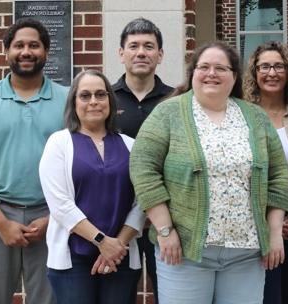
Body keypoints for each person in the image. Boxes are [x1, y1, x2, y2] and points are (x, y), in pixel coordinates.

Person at [129, 41, 288, 303]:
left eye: (220, 68)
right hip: (184, 253)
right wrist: (165, 230)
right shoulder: (168, 112)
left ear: (234, 76)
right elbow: (143, 167)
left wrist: (274, 234)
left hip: (246, 254)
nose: (211, 73)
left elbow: (278, 176)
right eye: (203, 67)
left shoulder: (255, 117)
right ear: (193, 73)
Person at [0, 18, 67, 304]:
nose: (26, 51)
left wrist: (54, 218)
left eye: (34, 45)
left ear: (46, 51)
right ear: (6, 51)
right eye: (18, 45)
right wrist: (1, 223)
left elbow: (77, 167)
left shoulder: (67, 102)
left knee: (49, 299)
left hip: (50, 217)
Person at [37, 70, 147, 304]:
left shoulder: (131, 146)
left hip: (121, 255)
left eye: (100, 94)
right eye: (85, 96)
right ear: (74, 102)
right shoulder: (59, 144)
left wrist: (117, 245)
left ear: (110, 100)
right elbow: (60, 205)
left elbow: (142, 203)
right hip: (73, 259)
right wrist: (102, 242)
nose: (94, 101)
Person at [243, 41, 288, 304]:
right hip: (253, 230)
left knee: (286, 298)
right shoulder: (242, 115)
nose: (271, 73)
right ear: (254, 72)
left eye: (278, 66)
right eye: (264, 66)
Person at [111, 18, 173, 302]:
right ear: (121, 53)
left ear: (160, 54)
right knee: (119, 294)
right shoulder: (104, 100)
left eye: (149, 46)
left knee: (168, 293)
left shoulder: (176, 101)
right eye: (133, 46)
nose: (141, 52)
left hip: (166, 219)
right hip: (116, 219)